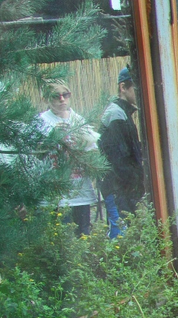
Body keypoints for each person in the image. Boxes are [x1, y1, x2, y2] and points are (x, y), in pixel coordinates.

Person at [36, 79, 99, 236]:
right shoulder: (41, 121)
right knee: (60, 238)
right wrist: (51, 137)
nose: (62, 99)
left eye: (65, 95)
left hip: (80, 191)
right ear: (46, 99)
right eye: (56, 96)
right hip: (55, 194)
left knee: (83, 235)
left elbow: (92, 153)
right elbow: (36, 155)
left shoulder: (78, 119)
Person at [98, 66, 144, 238]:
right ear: (123, 87)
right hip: (118, 188)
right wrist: (136, 182)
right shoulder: (115, 114)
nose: (140, 93)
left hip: (124, 188)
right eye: (136, 88)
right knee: (121, 236)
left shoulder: (123, 112)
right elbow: (119, 159)